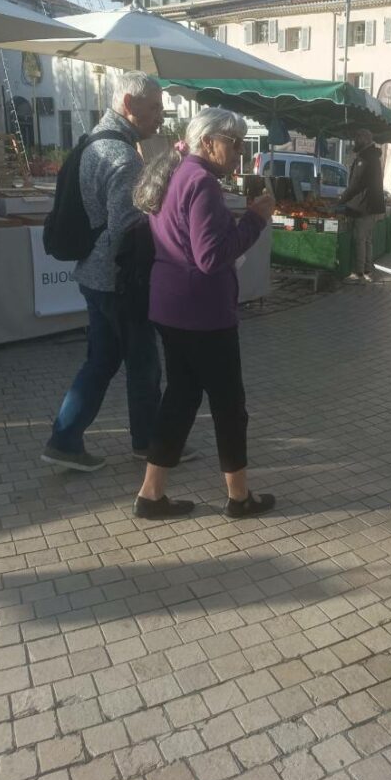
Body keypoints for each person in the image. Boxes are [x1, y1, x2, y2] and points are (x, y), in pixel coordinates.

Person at [130, 108, 276, 520]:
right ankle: (239, 497)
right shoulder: (202, 183)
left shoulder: (177, 174)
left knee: (180, 398)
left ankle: (151, 494)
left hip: (172, 306)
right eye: (234, 143)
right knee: (229, 405)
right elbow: (211, 257)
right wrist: (255, 220)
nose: (239, 152)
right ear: (208, 142)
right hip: (203, 314)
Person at [42, 71, 166, 472]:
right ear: (128, 105)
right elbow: (128, 232)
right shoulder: (122, 156)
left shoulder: (94, 142)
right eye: (154, 109)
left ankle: (64, 440)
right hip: (118, 280)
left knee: (101, 361)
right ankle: (149, 445)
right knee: (144, 363)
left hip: (92, 276)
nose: (160, 118)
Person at [340, 128, 385, 282]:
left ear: (364, 140)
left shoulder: (364, 158)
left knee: (360, 239)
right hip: (370, 205)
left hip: (363, 206)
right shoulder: (372, 156)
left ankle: (359, 272)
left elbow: (355, 184)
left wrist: (341, 200)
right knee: (367, 239)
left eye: (356, 139)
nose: (354, 142)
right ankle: (367, 270)